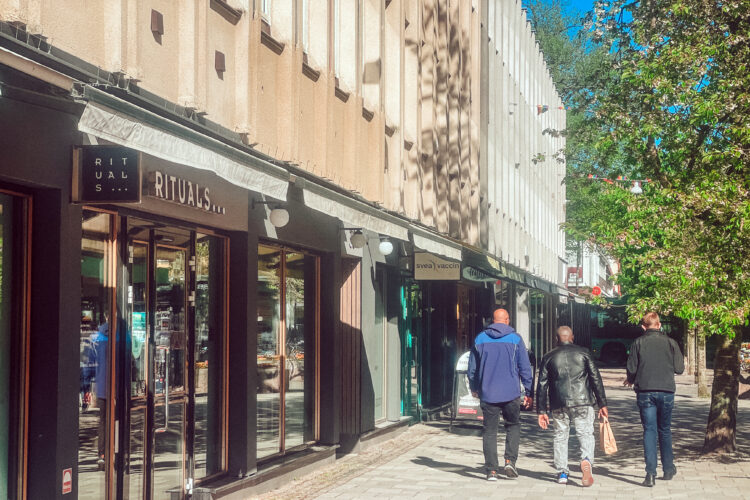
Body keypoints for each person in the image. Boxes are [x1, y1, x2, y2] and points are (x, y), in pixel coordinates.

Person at [536, 326, 608, 486]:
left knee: (560, 436)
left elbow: (542, 384)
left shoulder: (548, 357)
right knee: (586, 434)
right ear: (572, 337)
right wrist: (602, 403)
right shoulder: (584, 353)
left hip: (559, 402)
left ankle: (562, 472)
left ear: (556, 339)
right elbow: (595, 378)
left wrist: (541, 410)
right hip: (583, 401)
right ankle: (586, 460)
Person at [468, 308, 533, 481]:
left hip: (488, 393)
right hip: (511, 393)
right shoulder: (515, 339)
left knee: (489, 431)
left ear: (493, 320)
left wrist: (474, 387)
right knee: (513, 426)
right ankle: (510, 461)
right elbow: (525, 367)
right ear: (507, 320)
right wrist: (529, 391)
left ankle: (491, 471)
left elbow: (472, 369)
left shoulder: (480, 339)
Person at [625, 312, 684, 487]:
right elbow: (679, 368)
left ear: (643, 327)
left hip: (645, 391)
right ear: (659, 325)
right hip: (666, 390)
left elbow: (632, 368)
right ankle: (668, 469)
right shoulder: (671, 343)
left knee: (649, 431)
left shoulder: (638, 343)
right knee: (665, 430)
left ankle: (650, 474)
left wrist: (631, 379)